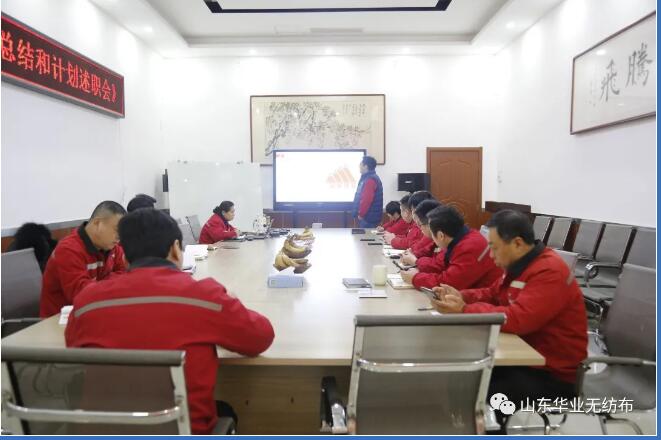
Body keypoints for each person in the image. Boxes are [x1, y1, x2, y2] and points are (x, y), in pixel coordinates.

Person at [65, 208, 274, 434]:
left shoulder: (87, 302)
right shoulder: (205, 298)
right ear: (175, 249)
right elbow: (261, 337)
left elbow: (74, 349)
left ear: (124, 257)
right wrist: (232, 303)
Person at [429, 210, 587, 432]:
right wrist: (461, 295)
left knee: (490, 393)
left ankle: (489, 429)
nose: (491, 255)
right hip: (525, 357)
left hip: (552, 373)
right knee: (464, 375)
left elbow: (518, 319)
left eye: (494, 248)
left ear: (518, 243)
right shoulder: (519, 265)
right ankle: (465, 425)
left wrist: (464, 309)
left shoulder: (549, 271)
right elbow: (493, 293)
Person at [40, 201, 127, 318]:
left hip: (94, 313)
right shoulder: (68, 250)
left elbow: (125, 277)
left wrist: (98, 286)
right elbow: (82, 295)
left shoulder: (112, 248)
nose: (119, 237)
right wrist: (111, 284)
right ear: (97, 223)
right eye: (116, 230)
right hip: (59, 320)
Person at [401, 205, 502, 290]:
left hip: (487, 302)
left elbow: (448, 283)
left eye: (432, 233)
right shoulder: (461, 237)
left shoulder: (469, 247)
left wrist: (415, 278)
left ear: (441, 235)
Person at [351, 155, 383, 228]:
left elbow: (366, 200)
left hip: (368, 219)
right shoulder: (369, 178)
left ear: (366, 166)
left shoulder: (370, 180)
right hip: (370, 217)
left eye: (361, 164)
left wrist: (361, 214)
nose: (359, 166)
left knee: (367, 235)